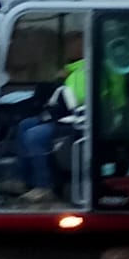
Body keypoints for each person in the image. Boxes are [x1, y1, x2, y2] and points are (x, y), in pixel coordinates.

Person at [15, 33, 88, 200]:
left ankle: (44, 186)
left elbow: (77, 100)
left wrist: (62, 80)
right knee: (24, 125)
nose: (69, 47)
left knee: (34, 136)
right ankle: (26, 180)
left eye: (74, 43)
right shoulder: (73, 70)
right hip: (64, 117)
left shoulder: (87, 70)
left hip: (77, 122)